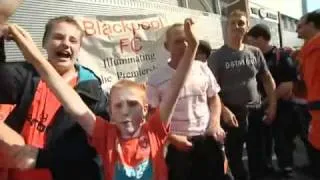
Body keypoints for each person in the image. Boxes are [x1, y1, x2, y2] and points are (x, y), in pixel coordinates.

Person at [4, 18, 198, 179]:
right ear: (110, 112)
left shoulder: (155, 130)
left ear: (146, 109)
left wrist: (192, 49)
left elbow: (175, 85)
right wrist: (34, 56)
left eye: (133, 104)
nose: (125, 110)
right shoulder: (105, 135)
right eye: (118, 105)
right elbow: (67, 96)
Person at [0, 16, 108, 180]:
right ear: (44, 43)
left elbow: (92, 156)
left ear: (79, 49)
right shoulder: (24, 76)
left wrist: (41, 158)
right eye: (58, 37)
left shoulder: (93, 95)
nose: (66, 44)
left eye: (73, 40)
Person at [147, 23, 226, 180]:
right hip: (178, 147)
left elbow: (214, 98)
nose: (184, 45)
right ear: (166, 46)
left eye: (187, 40)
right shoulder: (155, 79)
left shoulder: (203, 68)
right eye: (178, 41)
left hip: (207, 139)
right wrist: (173, 138)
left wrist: (215, 124)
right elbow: (151, 116)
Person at [208, 10, 277, 180]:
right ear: (227, 27)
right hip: (232, 114)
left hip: (256, 110)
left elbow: (267, 79)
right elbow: (210, 90)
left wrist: (273, 105)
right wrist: (223, 110)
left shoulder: (254, 52)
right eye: (233, 22)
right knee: (235, 157)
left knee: (258, 155)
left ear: (247, 27)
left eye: (241, 23)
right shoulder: (217, 57)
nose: (236, 26)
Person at [246, 23, 305, 178]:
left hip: (282, 108)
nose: (248, 43)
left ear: (260, 39)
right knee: (262, 141)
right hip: (259, 108)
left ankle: (286, 168)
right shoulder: (252, 57)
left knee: (282, 140)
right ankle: (267, 167)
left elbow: (288, 84)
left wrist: (267, 102)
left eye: (251, 40)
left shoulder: (281, 56)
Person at [295, 10, 320, 178]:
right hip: (312, 107)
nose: (296, 30)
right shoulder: (307, 50)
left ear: (311, 25)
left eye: (299, 26)